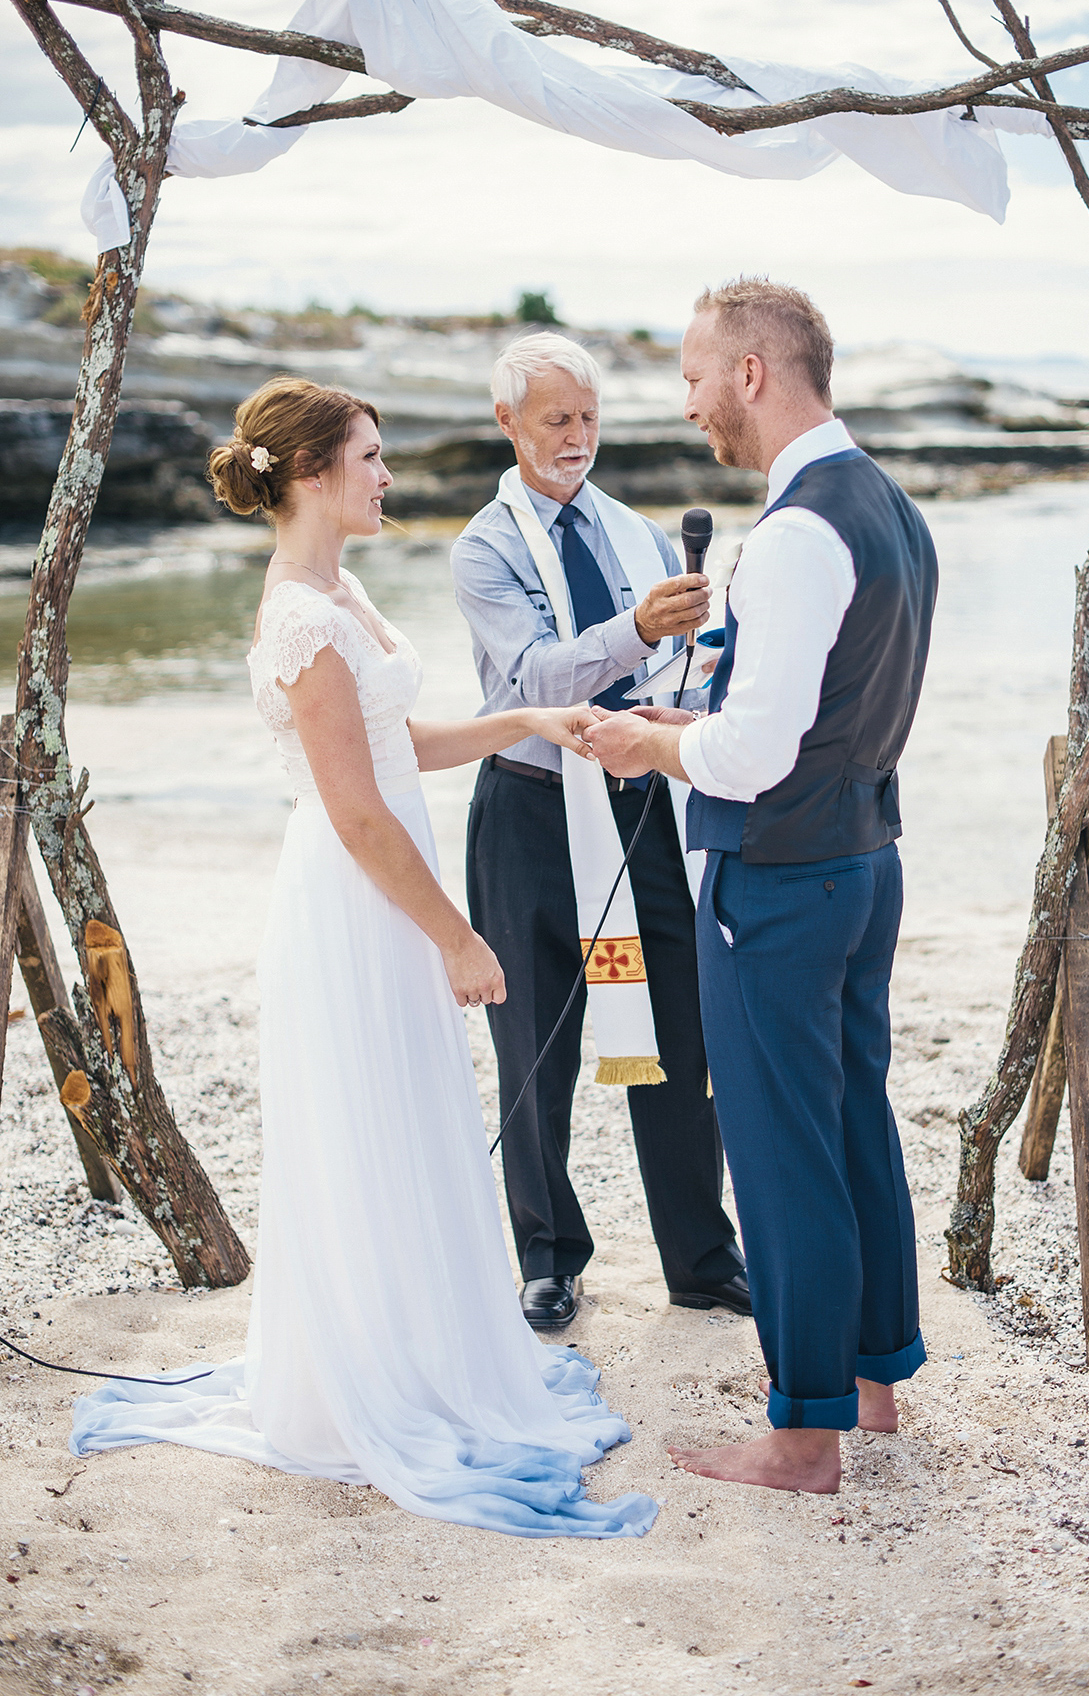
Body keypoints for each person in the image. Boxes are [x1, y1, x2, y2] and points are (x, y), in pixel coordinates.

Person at [68, 376, 656, 1541]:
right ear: (310, 472)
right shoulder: (297, 615)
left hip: (383, 891)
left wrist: (524, 722)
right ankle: (365, 1382)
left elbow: (399, 746)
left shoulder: (344, 592)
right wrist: (461, 934)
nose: (389, 474)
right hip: (355, 901)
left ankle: (422, 1343)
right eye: (372, 456)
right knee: (365, 1123)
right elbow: (358, 813)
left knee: (408, 1119)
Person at [582, 279, 938, 1494]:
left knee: (782, 1149)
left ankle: (800, 1437)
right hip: (862, 861)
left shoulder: (792, 534)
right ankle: (875, 1383)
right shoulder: (890, 506)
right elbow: (832, 706)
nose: (686, 405)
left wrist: (652, 743)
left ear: (751, 373)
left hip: (777, 882)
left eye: (691, 376)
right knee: (853, 1123)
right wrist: (708, 716)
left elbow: (753, 756)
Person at [450, 334, 748, 1330]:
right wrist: (640, 632)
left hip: (636, 801)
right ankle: (548, 1255)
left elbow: (675, 676)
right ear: (509, 425)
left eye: (588, 419)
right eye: (555, 421)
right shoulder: (484, 546)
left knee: (679, 1027)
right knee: (534, 1031)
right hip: (528, 806)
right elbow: (533, 680)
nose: (576, 438)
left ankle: (701, 1256)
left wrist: (705, 668)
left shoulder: (637, 533)